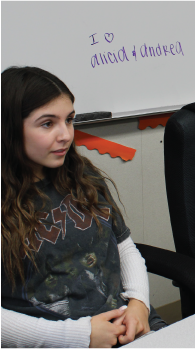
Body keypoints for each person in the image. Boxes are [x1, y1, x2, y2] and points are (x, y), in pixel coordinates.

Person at [1, 66, 166, 349]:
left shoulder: (82, 175)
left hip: (126, 327)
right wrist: (78, 337)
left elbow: (123, 245)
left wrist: (139, 303)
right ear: (10, 129)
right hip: (58, 341)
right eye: (47, 123)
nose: (65, 135)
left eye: (69, 120)